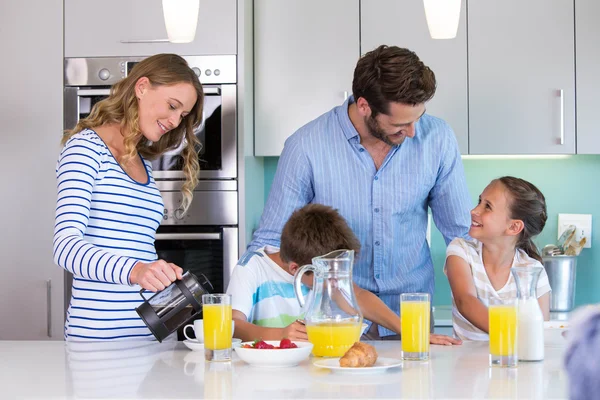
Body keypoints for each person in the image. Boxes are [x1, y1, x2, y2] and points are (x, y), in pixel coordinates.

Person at [244, 45, 472, 338]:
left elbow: (462, 236)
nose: (414, 132)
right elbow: (270, 243)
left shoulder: (437, 138)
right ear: (364, 106)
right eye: (400, 124)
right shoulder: (305, 146)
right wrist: (252, 322)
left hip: (412, 320)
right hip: (334, 323)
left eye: (418, 117)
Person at [53, 54, 204, 341]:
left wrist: (160, 273)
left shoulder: (142, 163)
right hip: (99, 341)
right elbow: (65, 247)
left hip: (152, 337)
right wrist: (136, 270)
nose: (174, 121)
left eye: (182, 115)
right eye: (172, 106)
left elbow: (132, 247)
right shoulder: (85, 149)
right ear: (142, 86)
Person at [228, 203, 460, 345]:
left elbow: (358, 296)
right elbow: (234, 325)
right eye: (327, 277)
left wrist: (410, 331)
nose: (334, 284)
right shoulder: (251, 268)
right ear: (296, 270)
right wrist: (280, 334)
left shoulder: (324, 272)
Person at [444, 176, 552, 341]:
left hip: (515, 363)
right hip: (466, 364)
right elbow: (465, 301)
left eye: (487, 206)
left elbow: (540, 331)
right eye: (479, 201)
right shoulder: (461, 250)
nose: (474, 210)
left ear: (514, 226)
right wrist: (513, 336)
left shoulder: (533, 271)